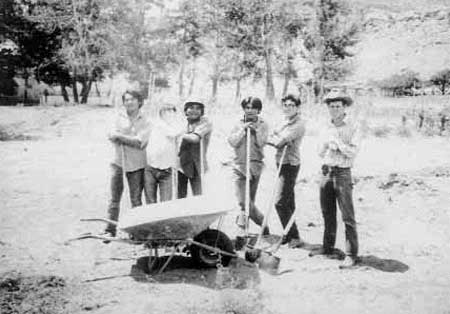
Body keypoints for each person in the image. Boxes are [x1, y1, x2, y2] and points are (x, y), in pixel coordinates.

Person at [309, 89, 362, 268]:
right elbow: (319, 152)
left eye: (338, 106)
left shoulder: (353, 125)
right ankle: (328, 247)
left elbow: (353, 152)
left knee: (347, 215)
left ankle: (351, 254)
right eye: (331, 106)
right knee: (327, 212)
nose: (334, 110)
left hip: (342, 173)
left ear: (344, 106)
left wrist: (338, 143)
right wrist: (326, 143)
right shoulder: (325, 126)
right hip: (326, 172)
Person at [103, 90, 149, 238]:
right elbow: (110, 135)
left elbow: (140, 142)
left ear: (139, 102)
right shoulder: (117, 117)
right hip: (118, 163)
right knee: (114, 199)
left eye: (133, 99)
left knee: (136, 199)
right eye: (127, 100)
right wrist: (125, 138)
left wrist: (120, 137)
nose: (129, 102)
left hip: (136, 164)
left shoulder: (146, 120)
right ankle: (110, 229)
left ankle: (137, 231)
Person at [228, 97, 269, 249]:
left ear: (258, 110)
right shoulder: (237, 123)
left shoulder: (264, 124)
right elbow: (232, 142)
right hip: (239, 166)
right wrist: (243, 130)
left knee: (248, 201)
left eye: (253, 108)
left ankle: (245, 233)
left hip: (255, 166)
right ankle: (258, 224)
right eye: (247, 107)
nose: (250, 110)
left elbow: (262, 143)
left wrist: (255, 131)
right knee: (242, 201)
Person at [267, 94, 306, 249]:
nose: (288, 108)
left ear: (297, 107)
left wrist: (277, 139)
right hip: (280, 162)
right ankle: (290, 234)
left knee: (280, 202)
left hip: (290, 164)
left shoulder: (299, 124)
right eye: (286, 105)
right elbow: (271, 136)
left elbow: (279, 142)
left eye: (292, 105)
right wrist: (276, 138)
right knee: (288, 201)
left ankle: (294, 236)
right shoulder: (283, 121)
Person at [144, 103, 183, 203]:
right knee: (150, 202)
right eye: (166, 112)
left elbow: (176, 133)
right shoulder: (157, 124)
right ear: (161, 114)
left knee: (166, 203)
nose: (169, 114)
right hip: (151, 168)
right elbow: (172, 133)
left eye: (171, 112)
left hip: (167, 170)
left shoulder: (176, 126)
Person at [177, 101, 212, 198]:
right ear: (186, 110)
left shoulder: (205, 122)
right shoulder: (181, 122)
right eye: (191, 107)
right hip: (180, 163)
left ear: (202, 111)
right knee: (179, 195)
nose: (194, 111)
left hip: (197, 164)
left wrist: (178, 134)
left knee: (198, 195)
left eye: (198, 108)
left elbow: (195, 138)